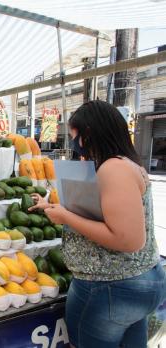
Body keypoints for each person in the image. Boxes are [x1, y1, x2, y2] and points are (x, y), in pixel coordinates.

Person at [29, 100, 165, 348]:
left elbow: (128, 239)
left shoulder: (114, 168)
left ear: (89, 133)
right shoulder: (126, 163)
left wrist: (65, 217)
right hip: (133, 283)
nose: (75, 143)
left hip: (110, 286)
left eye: (75, 136)